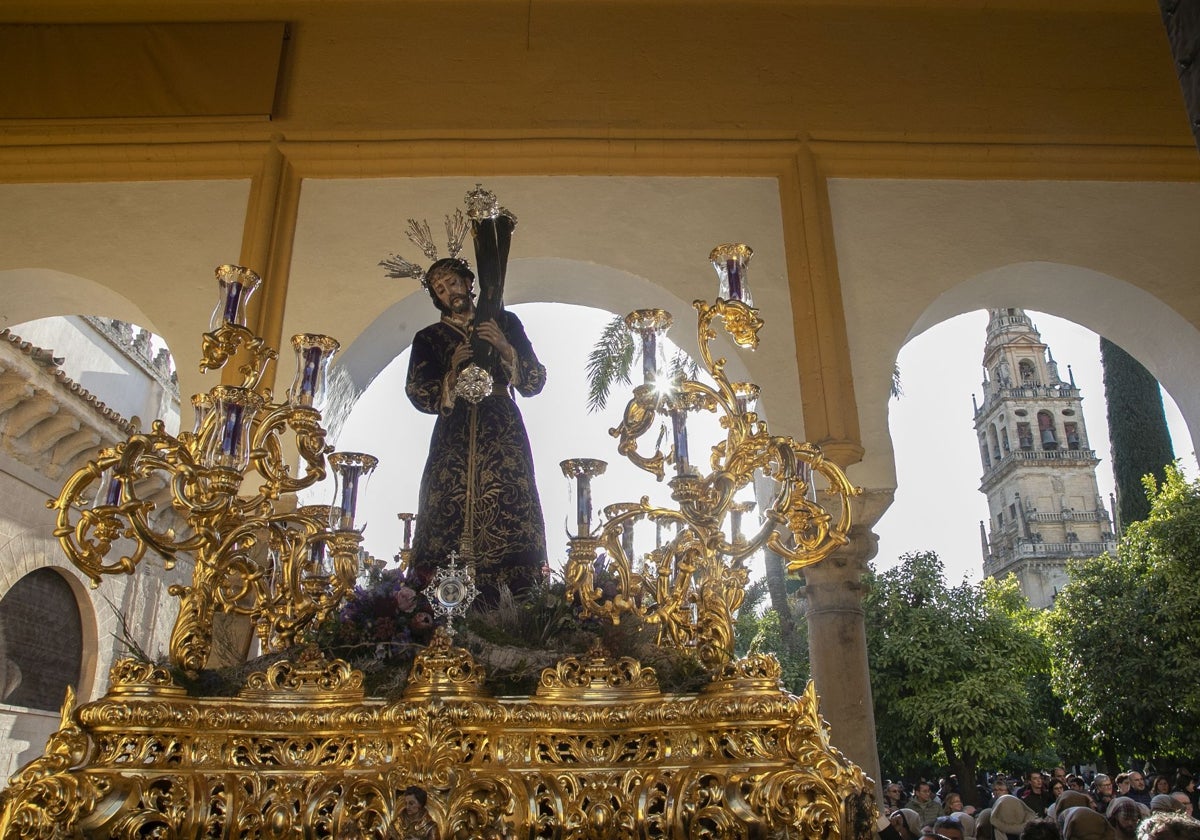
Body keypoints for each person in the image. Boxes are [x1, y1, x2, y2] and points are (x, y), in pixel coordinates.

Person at [405, 258, 548, 602]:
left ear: (469, 283)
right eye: (440, 290)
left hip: (501, 433)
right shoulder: (429, 337)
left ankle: (518, 602)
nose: (448, 292)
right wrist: (451, 374)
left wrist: (503, 346)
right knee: (444, 509)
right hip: (452, 437)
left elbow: (534, 381)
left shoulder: (505, 322)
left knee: (508, 504)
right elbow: (418, 392)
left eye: (453, 283)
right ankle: (436, 603)